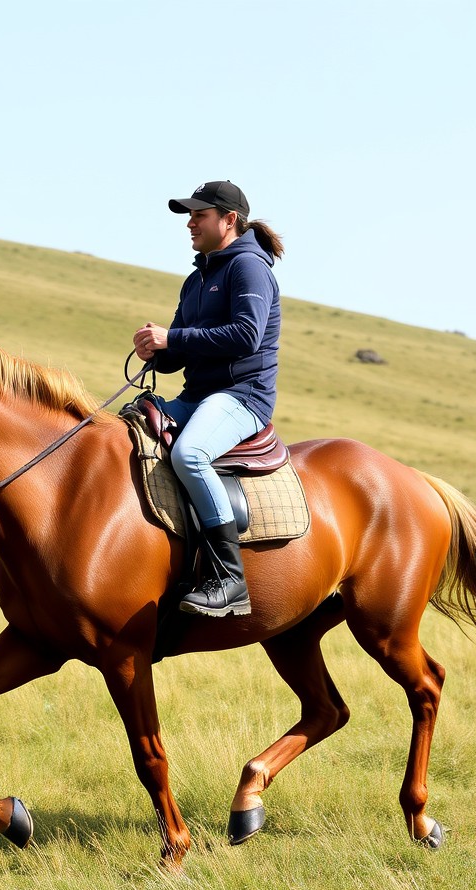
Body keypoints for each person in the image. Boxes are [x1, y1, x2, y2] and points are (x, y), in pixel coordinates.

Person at [133, 180, 283, 617]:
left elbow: (246, 335)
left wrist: (172, 336)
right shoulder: (197, 278)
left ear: (228, 219)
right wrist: (158, 352)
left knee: (190, 455)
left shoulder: (249, 268)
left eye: (198, 215)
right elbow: (180, 354)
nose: (190, 223)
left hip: (241, 398)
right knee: (123, 427)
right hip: (196, 396)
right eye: (189, 216)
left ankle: (229, 579)